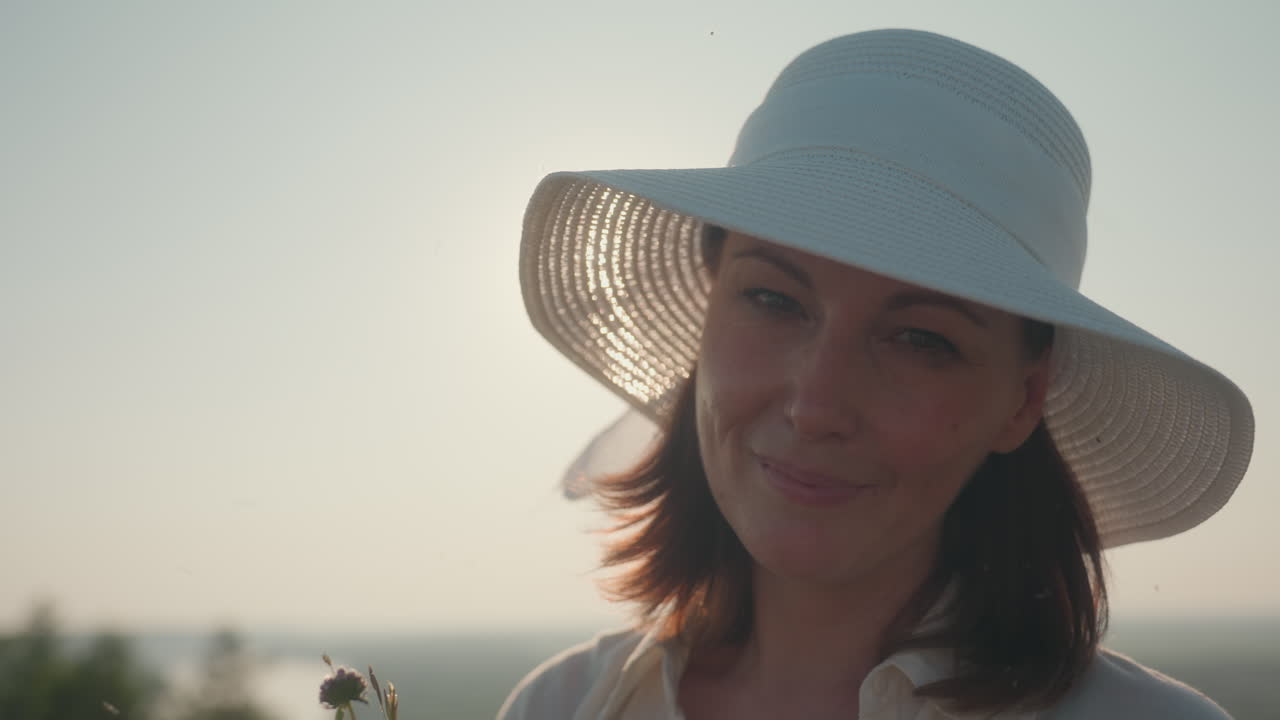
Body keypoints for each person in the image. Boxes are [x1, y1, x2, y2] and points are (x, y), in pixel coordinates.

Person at [499, 29, 1254, 719]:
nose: (816, 404)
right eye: (772, 298)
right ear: (707, 311)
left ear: (1023, 399)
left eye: (921, 340)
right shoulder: (561, 705)